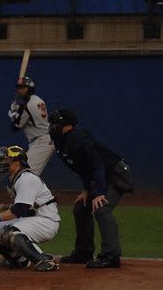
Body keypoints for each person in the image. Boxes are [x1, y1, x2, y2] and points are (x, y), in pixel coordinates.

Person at [48, 109, 133, 269]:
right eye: (52, 124)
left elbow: (97, 164)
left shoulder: (78, 138)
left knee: (101, 208)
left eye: (56, 124)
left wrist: (99, 193)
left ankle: (111, 256)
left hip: (116, 173)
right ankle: (83, 252)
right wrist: (87, 190)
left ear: (68, 126)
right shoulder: (61, 140)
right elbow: (82, 167)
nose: (52, 127)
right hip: (102, 175)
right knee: (81, 208)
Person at [0, 145, 60, 272]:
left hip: (46, 221)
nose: (1, 163)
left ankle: (44, 260)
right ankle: (18, 260)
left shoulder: (26, 179)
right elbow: (24, 208)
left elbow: (19, 211)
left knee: (12, 232)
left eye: (5, 160)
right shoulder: (14, 179)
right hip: (32, 218)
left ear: (17, 162)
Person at [8, 76, 55, 175]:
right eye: (19, 88)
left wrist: (13, 114)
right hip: (44, 139)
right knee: (26, 173)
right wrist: (18, 111)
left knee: (24, 173)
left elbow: (15, 127)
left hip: (42, 141)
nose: (19, 90)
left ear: (30, 88)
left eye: (23, 87)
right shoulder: (38, 99)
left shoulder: (26, 105)